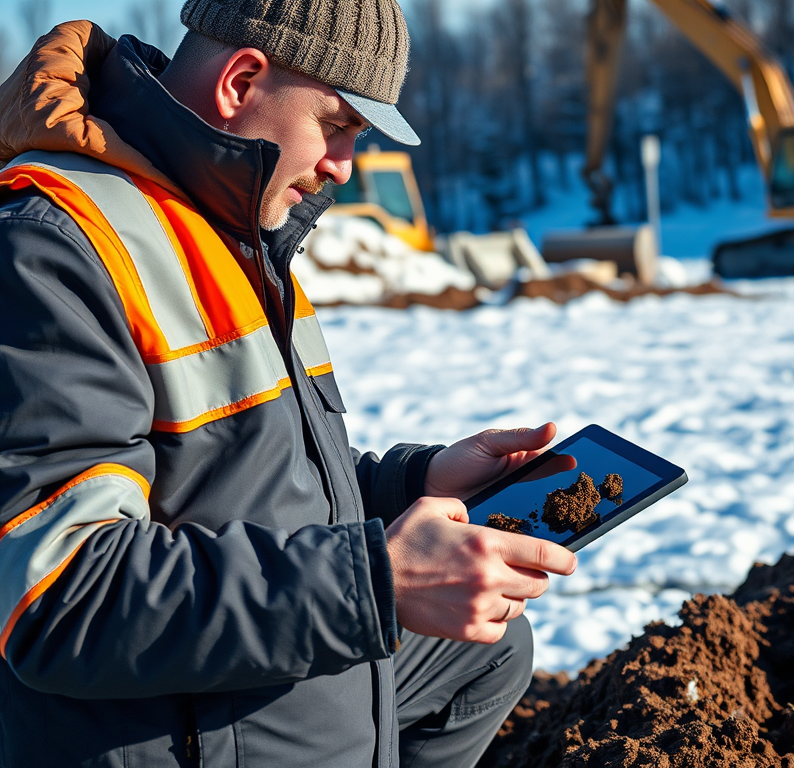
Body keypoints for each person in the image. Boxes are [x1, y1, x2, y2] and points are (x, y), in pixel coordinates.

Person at [0, 1, 576, 766]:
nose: (343, 164)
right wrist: (374, 582)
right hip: (168, 734)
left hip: (261, 691)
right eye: (337, 125)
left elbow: (245, 490)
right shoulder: (55, 249)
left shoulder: (236, 233)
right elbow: (63, 599)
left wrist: (419, 484)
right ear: (241, 82)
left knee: (486, 652)